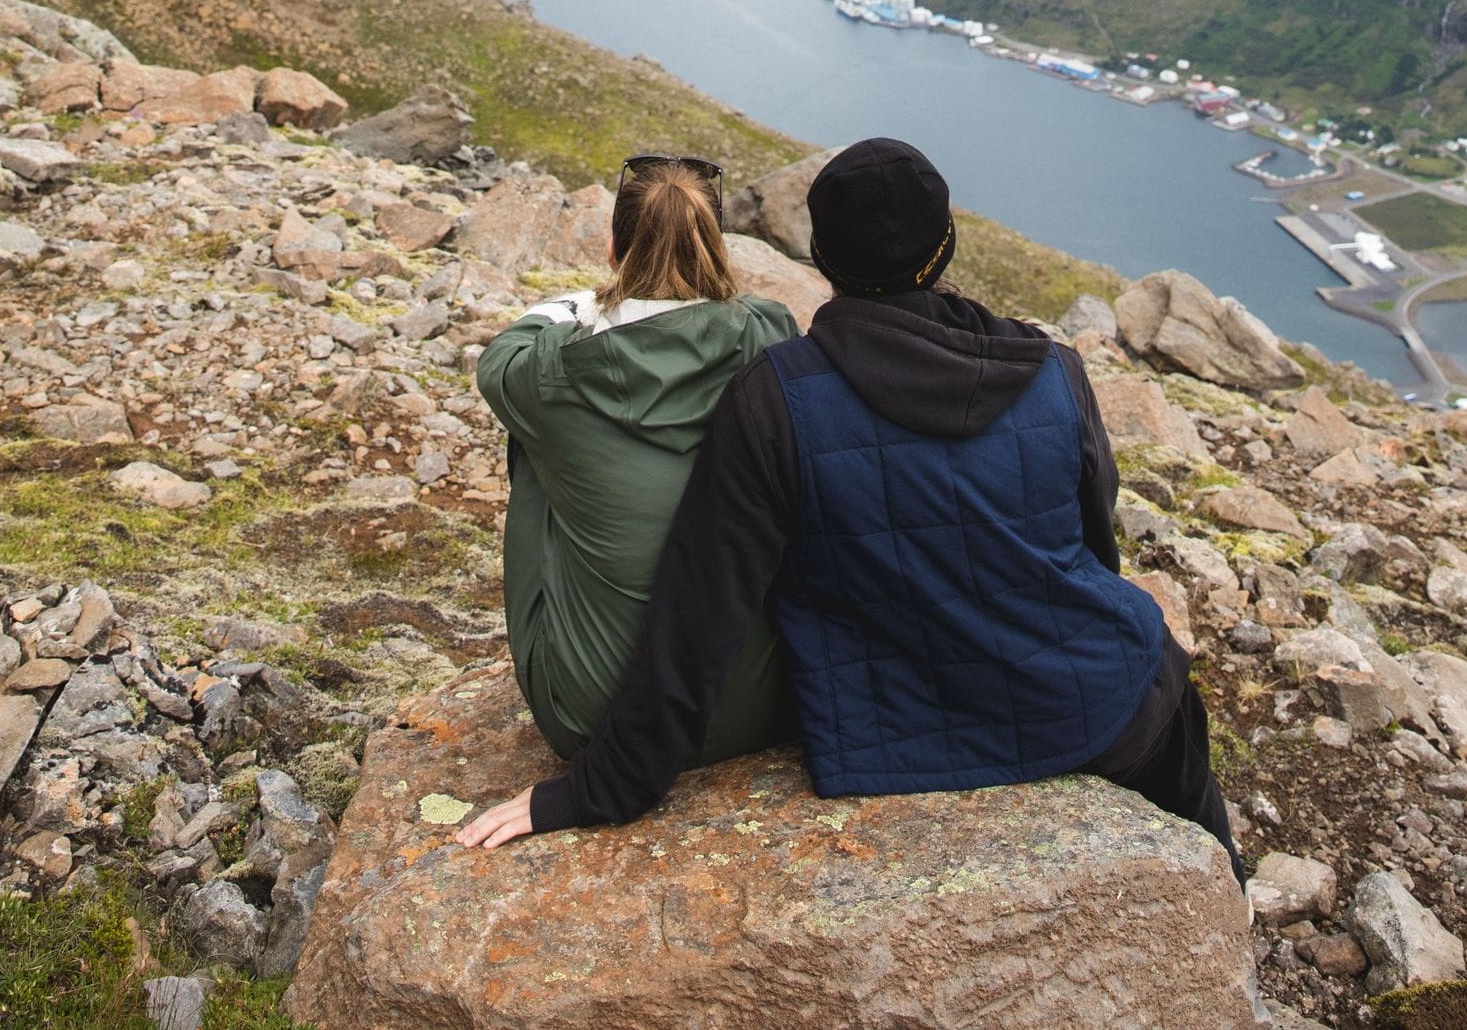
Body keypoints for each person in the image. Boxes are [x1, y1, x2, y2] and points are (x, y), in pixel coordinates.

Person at [458, 135, 1243, 886]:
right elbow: (1089, 542)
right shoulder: (1055, 370)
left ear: (822, 258)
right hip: (1107, 700)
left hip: (902, 733)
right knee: (1194, 779)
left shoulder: (776, 399)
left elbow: (701, 613)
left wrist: (599, 789)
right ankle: (1229, 895)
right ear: (946, 248)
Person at [474, 152, 799, 766]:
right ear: (716, 247)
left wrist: (591, 304)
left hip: (595, 721)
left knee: (541, 444)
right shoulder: (768, 337)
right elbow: (755, 308)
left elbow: (504, 353)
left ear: (613, 248)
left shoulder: (544, 372)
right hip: (761, 706)